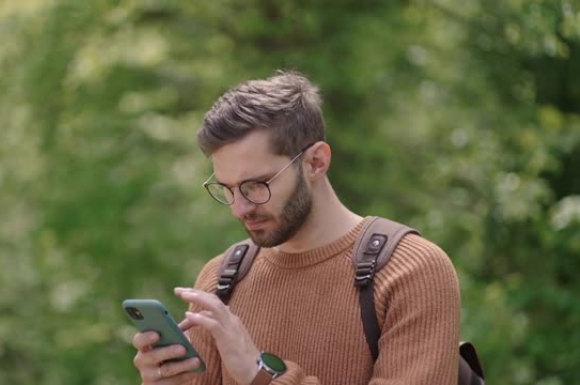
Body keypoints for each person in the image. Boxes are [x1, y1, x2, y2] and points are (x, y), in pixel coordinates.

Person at [131, 71, 460, 385]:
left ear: (316, 162)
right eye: (227, 188)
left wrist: (260, 374)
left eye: (256, 185)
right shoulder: (222, 279)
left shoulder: (411, 271)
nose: (239, 208)